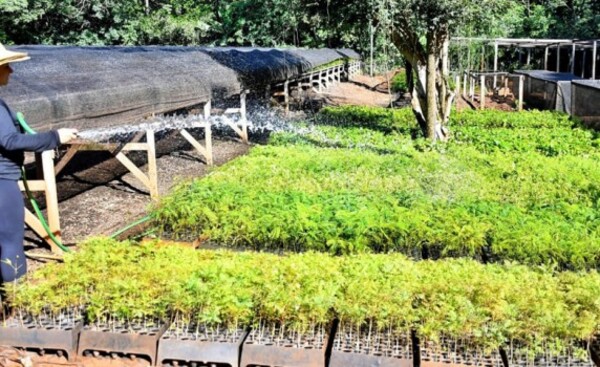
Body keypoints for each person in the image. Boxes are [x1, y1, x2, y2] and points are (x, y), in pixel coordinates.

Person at [0, 44, 78, 282]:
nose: (11, 71)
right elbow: (9, 141)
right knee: (11, 241)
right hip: (1, 183)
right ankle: (15, 306)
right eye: (6, 66)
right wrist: (55, 137)